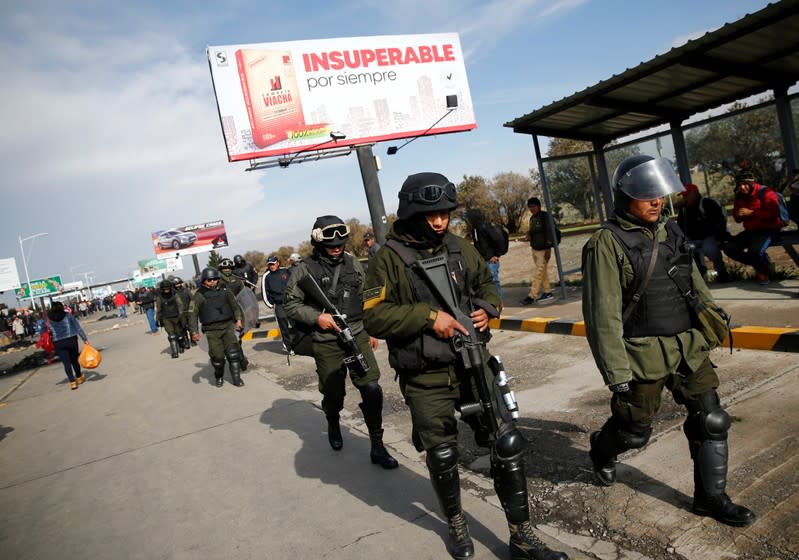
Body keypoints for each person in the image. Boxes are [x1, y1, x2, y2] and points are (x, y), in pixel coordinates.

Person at [363, 173, 567, 560]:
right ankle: (457, 524)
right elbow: (373, 317)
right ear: (411, 212)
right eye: (432, 214)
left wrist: (488, 309)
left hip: (474, 359)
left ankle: (522, 536)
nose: (441, 221)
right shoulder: (388, 258)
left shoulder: (459, 247)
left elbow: (487, 286)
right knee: (442, 453)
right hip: (425, 374)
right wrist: (427, 317)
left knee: (506, 442)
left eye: (445, 213)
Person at [582, 155, 756, 529]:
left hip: (688, 347)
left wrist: (714, 324)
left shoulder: (672, 232)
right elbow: (603, 315)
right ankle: (602, 448)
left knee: (711, 419)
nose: (655, 201)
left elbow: (695, 285)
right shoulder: (606, 244)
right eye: (645, 195)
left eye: (658, 193)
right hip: (642, 354)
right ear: (624, 196)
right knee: (634, 431)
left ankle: (710, 499)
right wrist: (615, 371)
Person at [284, 215, 398, 470]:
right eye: (331, 244)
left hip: (356, 334)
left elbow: (366, 296)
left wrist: (370, 329)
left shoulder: (352, 263)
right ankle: (333, 421)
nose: (336, 248)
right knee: (333, 394)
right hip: (326, 341)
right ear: (318, 243)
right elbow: (290, 304)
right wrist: (317, 317)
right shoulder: (305, 269)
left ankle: (378, 446)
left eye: (340, 244)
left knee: (372, 389)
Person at [188, 267, 245, 387]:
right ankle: (219, 376)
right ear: (204, 281)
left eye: (215, 279)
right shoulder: (199, 295)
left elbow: (234, 305)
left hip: (228, 326)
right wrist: (194, 332)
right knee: (218, 358)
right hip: (211, 330)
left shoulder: (225, 289)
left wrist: (238, 319)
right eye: (209, 280)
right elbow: (192, 315)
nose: (213, 282)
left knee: (233, 354)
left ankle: (236, 379)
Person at [724, 172, 783, 285]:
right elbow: (738, 220)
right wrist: (738, 214)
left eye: (745, 184)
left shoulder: (766, 192)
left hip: (769, 229)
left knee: (754, 252)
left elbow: (774, 213)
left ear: (752, 183)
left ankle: (763, 273)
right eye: (739, 185)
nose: (742, 187)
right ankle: (764, 264)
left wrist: (752, 213)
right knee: (729, 248)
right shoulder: (739, 196)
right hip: (751, 231)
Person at [676, 183, 731, 282]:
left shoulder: (708, 203)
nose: (684, 198)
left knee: (709, 247)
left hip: (710, 237)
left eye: (686, 195)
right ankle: (698, 278)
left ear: (695, 193)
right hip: (693, 240)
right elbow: (680, 228)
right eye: (683, 196)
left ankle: (722, 273)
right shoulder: (684, 209)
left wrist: (719, 237)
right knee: (683, 249)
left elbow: (721, 219)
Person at [465, 208, 507, 305]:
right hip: (482, 261)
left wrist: (497, 254)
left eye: (469, 218)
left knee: (494, 281)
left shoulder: (484, 227)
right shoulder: (474, 229)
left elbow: (499, 239)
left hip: (491, 261)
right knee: (485, 283)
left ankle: (499, 303)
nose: (468, 221)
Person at [47, 301, 90, 390]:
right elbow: (78, 328)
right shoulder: (68, 315)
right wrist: (85, 339)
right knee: (74, 360)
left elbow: (44, 329)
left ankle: (72, 382)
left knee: (66, 363)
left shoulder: (48, 318)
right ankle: (79, 377)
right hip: (71, 340)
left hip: (58, 342)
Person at [520, 197, 555, 305]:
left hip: (544, 250)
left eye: (534, 206)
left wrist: (549, 248)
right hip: (535, 249)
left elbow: (549, 232)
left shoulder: (545, 216)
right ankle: (548, 291)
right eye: (530, 207)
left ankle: (532, 296)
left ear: (539, 206)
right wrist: (529, 234)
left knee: (538, 273)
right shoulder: (532, 218)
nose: (532, 209)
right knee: (542, 272)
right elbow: (533, 231)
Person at [218, 258, 250, 370]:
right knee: (231, 339)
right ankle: (240, 359)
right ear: (221, 269)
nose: (227, 270)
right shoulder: (217, 281)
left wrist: (247, 309)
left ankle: (239, 358)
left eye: (229, 268)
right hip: (224, 314)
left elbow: (244, 295)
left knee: (237, 338)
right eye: (225, 268)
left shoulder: (237, 280)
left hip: (238, 312)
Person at [261, 255, 294, 354]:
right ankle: (289, 347)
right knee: (284, 327)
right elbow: (264, 293)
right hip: (278, 305)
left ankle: (299, 344)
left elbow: (294, 283)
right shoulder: (266, 276)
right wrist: (271, 305)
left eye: (273, 264)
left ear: (278, 263)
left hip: (291, 302)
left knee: (296, 323)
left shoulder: (285, 271)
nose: (272, 266)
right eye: (270, 264)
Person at [155, 279, 187, 358]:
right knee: (171, 335)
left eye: (168, 288)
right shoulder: (159, 297)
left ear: (170, 288)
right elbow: (158, 309)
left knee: (179, 334)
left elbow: (180, 304)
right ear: (162, 289)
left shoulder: (175, 294)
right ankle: (175, 352)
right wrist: (157, 319)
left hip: (176, 317)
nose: (166, 290)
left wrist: (180, 314)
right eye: (165, 289)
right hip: (166, 318)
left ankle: (181, 346)